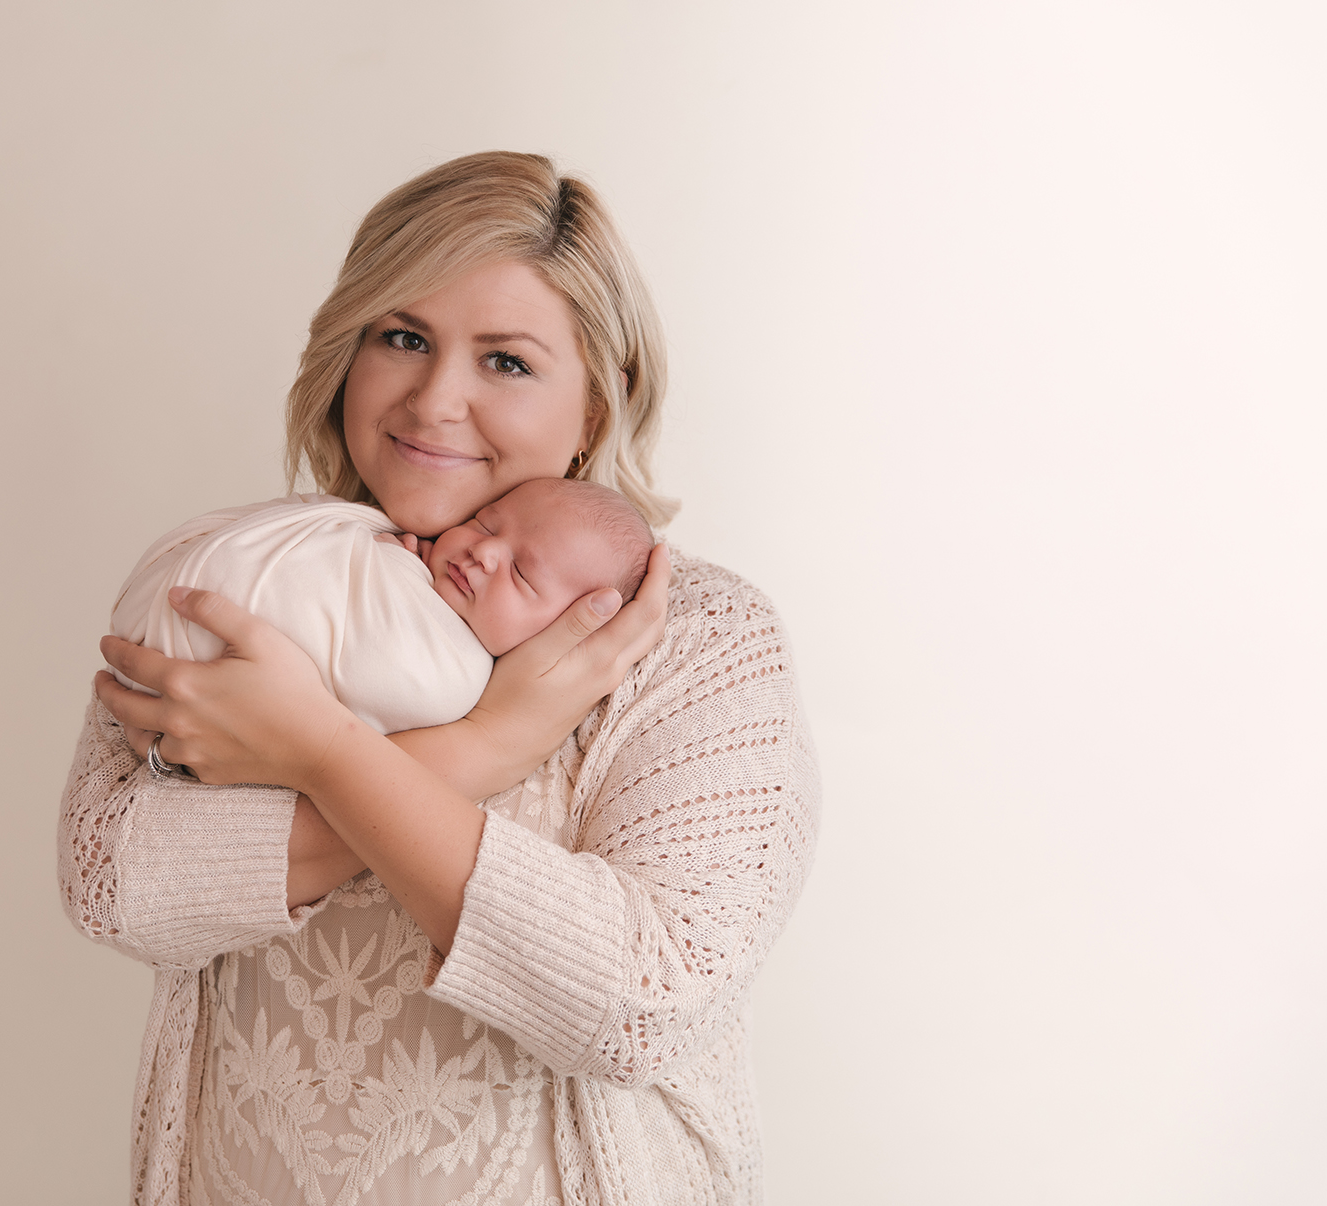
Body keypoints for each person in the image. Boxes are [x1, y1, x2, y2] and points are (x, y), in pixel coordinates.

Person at [58, 151, 820, 1206]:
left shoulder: (694, 640)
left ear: (597, 401)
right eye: (403, 338)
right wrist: (480, 750)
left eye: (505, 362)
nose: (434, 399)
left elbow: (646, 999)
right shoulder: (260, 576)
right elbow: (113, 889)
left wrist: (321, 753)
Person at [106, 477, 654, 738]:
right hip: (171, 621)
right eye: (487, 522)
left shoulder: (454, 677)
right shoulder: (401, 539)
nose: (484, 551)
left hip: (183, 648)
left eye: (522, 573)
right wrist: (389, 560)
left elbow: (384, 677)